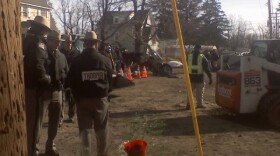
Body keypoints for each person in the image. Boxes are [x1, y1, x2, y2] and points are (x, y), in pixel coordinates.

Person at [66, 31, 113, 156]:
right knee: (102, 131)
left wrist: (76, 96)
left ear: (85, 44)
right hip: (101, 100)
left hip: (82, 101)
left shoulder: (77, 61)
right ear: (96, 44)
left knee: (85, 131)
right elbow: (110, 80)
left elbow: (70, 81)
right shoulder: (105, 60)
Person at [22, 15, 52, 156]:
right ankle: (32, 152)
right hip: (35, 90)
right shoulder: (37, 44)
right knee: (34, 126)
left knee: (28, 123)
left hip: (25, 87)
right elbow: (38, 69)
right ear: (42, 30)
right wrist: (49, 80)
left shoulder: (25, 40)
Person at [41, 30, 68, 155]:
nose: (58, 44)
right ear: (49, 40)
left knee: (55, 120)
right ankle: (33, 148)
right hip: (43, 92)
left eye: (59, 42)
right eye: (56, 41)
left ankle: (50, 145)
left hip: (57, 92)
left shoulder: (61, 56)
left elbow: (66, 71)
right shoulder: (42, 54)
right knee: (38, 122)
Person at [59, 34, 80, 123]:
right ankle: (60, 117)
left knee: (72, 98)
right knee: (61, 99)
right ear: (63, 43)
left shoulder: (76, 53)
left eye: (70, 42)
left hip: (72, 78)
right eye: (67, 42)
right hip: (62, 77)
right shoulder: (60, 52)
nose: (69, 44)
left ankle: (71, 115)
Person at [186, 45, 212, 110]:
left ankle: (188, 104)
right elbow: (206, 69)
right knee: (199, 92)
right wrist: (210, 77)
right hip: (199, 78)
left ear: (194, 49)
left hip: (190, 77)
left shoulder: (189, 56)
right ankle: (199, 104)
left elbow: (186, 65)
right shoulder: (202, 57)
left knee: (190, 92)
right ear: (200, 49)